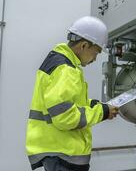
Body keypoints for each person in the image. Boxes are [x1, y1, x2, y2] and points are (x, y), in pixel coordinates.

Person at [26, 16, 118, 171]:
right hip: (63, 153)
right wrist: (102, 112)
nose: (95, 58)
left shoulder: (58, 61)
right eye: (96, 52)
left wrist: (92, 105)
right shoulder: (66, 70)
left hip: (56, 150)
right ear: (83, 46)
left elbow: (65, 103)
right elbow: (65, 117)